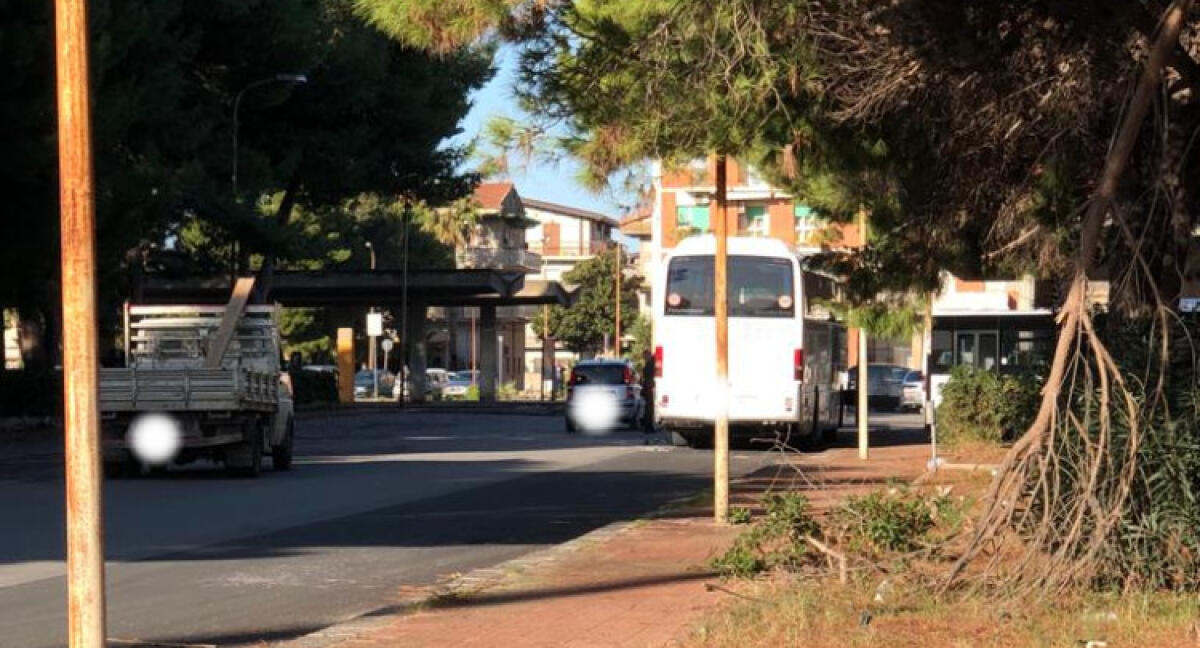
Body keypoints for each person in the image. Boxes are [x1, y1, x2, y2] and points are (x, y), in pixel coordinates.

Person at [640, 350, 656, 442]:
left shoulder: (651, 363)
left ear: (648, 355)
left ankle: (648, 426)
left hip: (650, 387)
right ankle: (648, 426)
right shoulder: (650, 363)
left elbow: (649, 377)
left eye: (645, 356)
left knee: (649, 408)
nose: (644, 358)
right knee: (649, 408)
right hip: (648, 387)